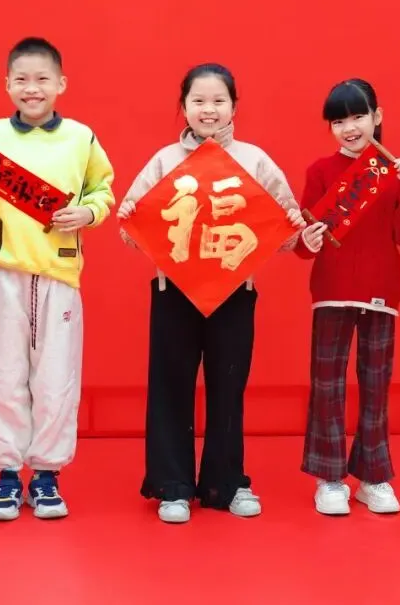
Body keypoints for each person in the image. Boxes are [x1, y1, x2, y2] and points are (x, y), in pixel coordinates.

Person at [116, 63, 305, 523]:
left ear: (234, 106)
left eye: (219, 100)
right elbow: (132, 229)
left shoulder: (254, 160)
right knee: (170, 386)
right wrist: (129, 215)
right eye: (198, 101)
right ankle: (173, 485)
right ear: (183, 107)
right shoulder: (164, 161)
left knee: (228, 386)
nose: (208, 109)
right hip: (173, 291)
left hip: (234, 292)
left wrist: (292, 225)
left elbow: (285, 230)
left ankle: (227, 482)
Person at [0, 37, 115, 522]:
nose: (32, 88)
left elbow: (103, 189)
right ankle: (5, 474)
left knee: (57, 378)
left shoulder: (81, 138)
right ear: (7, 85)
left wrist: (89, 212)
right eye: (21, 79)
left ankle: (46, 475)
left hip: (59, 275)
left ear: (61, 84)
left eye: (42, 79)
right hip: (2, 275)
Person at [295, 78, 400, 516]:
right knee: (327, 384)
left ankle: (373, 477)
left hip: (381, 290)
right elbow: (302, 242)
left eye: (358, 117)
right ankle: (330, 478)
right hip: (331, 289)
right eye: (338, 121)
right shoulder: (320, 171)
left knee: (376, 384)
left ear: (377, 116)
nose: (349, 128)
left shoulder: (394, 172)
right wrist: (308, 239)